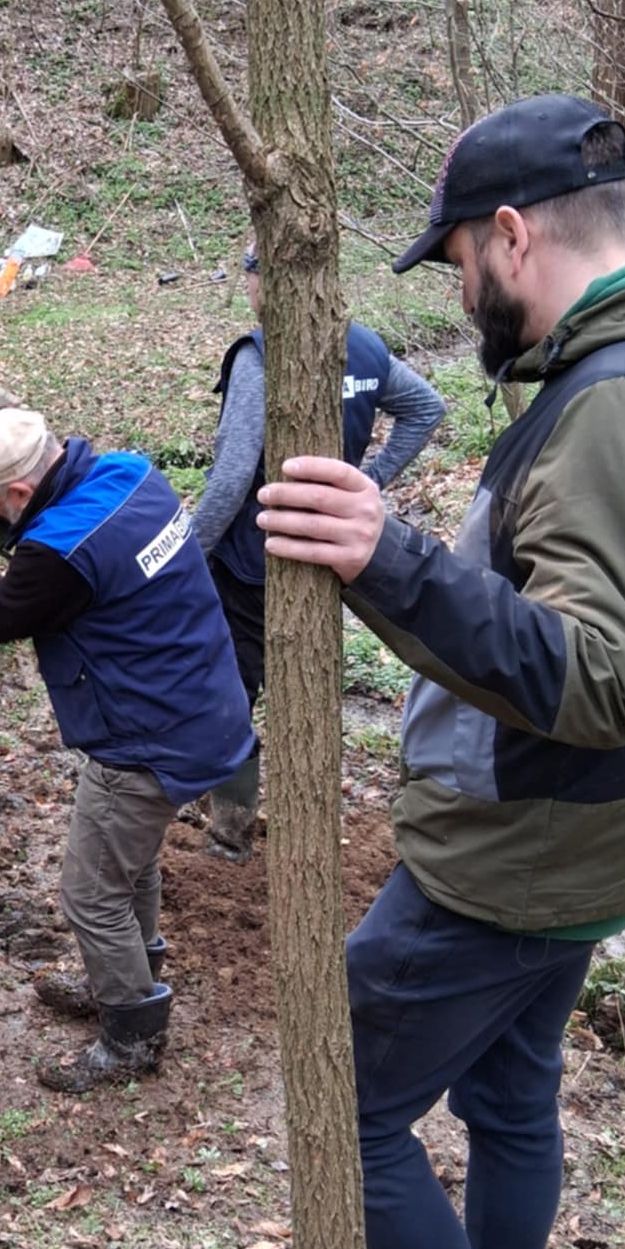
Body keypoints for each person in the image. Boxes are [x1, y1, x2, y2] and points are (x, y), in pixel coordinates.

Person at [254, 94, 625, 1249]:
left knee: (345, 1085)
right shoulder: (616, 381)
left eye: (463, 261)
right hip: (588, 855)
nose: (464, 290)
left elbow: (606, 677)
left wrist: (391, 560)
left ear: (514, 234)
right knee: (512, 1098)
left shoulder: (609, 408)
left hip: (513, 864)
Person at [0, 407, 255, 1092]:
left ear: (18, 494)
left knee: (89, 890)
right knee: (128, 863)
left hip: (147, 739)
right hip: (204, 705)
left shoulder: (60, 549)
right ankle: (129, 972)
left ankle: (132, 1031)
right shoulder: (131, 474)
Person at [191, 242, 446, 859]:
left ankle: (230, 832)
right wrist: (368, 483)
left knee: (229, 692)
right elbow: (427, 407)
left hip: (252, 559)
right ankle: (297, 816)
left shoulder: (260, 356)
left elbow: (230, 476)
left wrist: (189, 550)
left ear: (261, 283)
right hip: (328, 554)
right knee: (306, 686)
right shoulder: (361, 347)